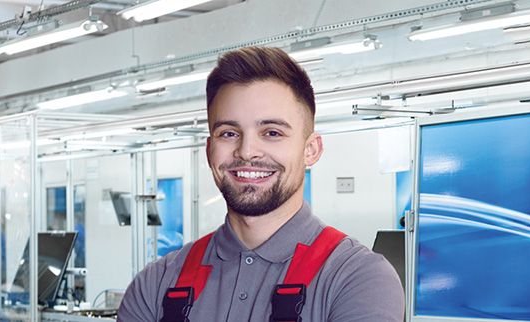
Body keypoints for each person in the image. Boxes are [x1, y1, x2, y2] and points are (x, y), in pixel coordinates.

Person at [117, 47, 404, 321]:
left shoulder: (357, 279)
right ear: (209, 150)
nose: (246, 151)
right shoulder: (155, 285)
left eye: (272, 132)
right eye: (229, 133)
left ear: (311, 150)